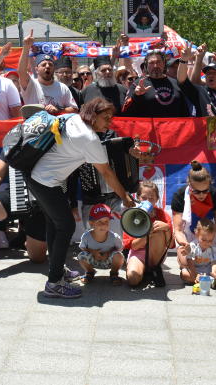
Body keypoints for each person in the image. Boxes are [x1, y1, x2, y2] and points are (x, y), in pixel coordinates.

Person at [23, 98, 136, 298]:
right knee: (65, 226)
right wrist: (125, 197)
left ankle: (56, 271)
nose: (109, 123)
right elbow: (107, 174)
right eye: (105, 118)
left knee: (53, 224)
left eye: (111, 118)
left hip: (40, 177)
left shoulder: (74, 118)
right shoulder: (89, 138)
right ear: (93, 116)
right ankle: (54, 283)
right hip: (45, 182)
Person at [172, 161, 216, 289]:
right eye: (197, 192)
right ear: (189, 185)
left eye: (205, 191)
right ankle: (198, 274)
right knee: (184, 262)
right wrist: (185, 245)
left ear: (210, 185)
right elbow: (178, 230)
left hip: (208, 234)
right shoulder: (179, 196)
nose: (202, 195)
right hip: (188, 235)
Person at [123, 180, 173, 288]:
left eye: (151, 198)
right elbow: (133, 246)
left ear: (157, 199)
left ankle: (153, 268)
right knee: (133, 279)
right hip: (138, 254)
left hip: (156, 254)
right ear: (138, 197)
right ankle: (146, 271)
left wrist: (167, 229)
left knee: (159, 229)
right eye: (144, 198)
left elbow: (171, 244)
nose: (148, 201)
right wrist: (146, 234)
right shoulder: (131, 215)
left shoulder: (163, 215)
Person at [18, 32, 77, 114]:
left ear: (54, 69)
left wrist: (58, 110)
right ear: (36, 69)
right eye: (43, 64)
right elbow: (21, 71)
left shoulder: (62, 88)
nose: (47, 66)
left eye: (50, 64)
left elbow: (74, 109)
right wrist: (26, 47)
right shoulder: (30, 85)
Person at [123, 50, 191, 118]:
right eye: (151, 63)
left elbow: (185, 114)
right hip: (148, 128)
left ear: (164, 64)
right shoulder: (137, 84)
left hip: (173, 128)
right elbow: (125, 111)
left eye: (158, 62)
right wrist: (136, 96)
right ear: (146, 65)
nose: (155, 66)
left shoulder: (176, 84)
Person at [77, 203, 124, 284]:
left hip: (108, 261)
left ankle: (114, 274)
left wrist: (109, 253)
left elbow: (120, 249)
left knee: (119, 256)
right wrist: (93, 252)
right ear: (91, 223)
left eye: (106, 221)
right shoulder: (86, 236)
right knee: (81, 255)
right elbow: (83, 248)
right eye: (99, 221)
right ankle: (90, 272)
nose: (104, 225)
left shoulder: (114, 237)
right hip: (94, 260)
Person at [181, 218, 216, 288]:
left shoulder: (213, 247)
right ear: (197, 235)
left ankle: (208, 280)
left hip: (208, 271)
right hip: (195, 270)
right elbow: (190, 262)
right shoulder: (192, 246)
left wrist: (213, 273)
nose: (207, 243)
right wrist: (195, 274)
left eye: (210, 240)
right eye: (204, 240)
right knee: (184, 274)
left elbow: (214, 262)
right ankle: (207, 281)